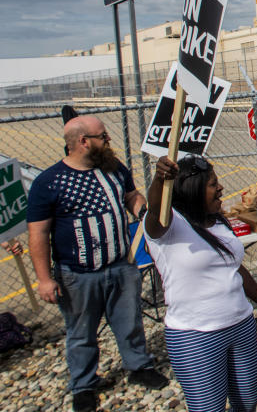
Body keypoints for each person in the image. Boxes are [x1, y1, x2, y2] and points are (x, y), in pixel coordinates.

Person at [26, 116, 168, 412]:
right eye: (102, 136)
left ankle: (139, 366)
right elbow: (38, 232)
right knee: (81, 332)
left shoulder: (113, 169)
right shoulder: (49, 182)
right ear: (82, 141)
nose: (108, 140)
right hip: (77, 275)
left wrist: (142, 211)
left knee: (129, 322)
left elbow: (131, 195)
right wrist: (44, 278)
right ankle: (84, 385)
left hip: (120, 265)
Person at [145, 155, 257, 411]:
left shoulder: (216, 220)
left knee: (247, 401)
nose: (221, 188)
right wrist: (159, 180)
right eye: (213, 184)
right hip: (195, 337)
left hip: (241, 326)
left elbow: (232, 266)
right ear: (193, 188)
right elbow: (155, 211)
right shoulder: (168, 227)